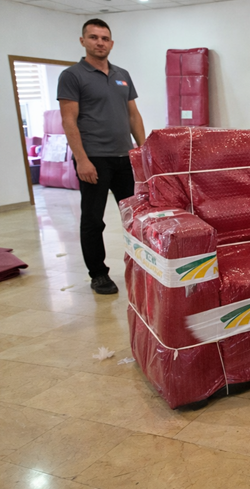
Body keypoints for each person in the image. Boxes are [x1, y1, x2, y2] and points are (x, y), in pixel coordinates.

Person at [58, 19, 146, 295]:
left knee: (135, 216)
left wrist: (144, 151)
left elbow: (133, 115)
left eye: (104, 38)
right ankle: (98, 274)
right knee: (94, 219)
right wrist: (82, 159)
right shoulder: (72, 76)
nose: (99, 42)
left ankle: (142, 266)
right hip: (94, 158)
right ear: (83, 41)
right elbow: (69, 120)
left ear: (111, 43)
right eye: (94, 37)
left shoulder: (122, 74)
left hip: (125, 158)